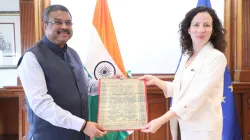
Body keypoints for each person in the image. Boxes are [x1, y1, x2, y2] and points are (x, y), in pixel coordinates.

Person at [17, 5, 107, 140]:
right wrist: (82, 125)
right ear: (45, 25)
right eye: (58, 22)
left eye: (68, 23)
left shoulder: (73, 54)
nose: (64, 26)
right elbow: (42, 105)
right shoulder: (32, 58)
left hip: (80, 135)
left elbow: (86, 86)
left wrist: (109, 84)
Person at [139, 6, 227, 140]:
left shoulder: (217, 58)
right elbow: (179, 89)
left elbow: (195, 96)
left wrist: (160, 120)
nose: (201, 30)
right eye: (196, 25)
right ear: (188, 29)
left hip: (203, 129)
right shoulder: (187, 56)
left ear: (213, 30)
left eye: (207, 25)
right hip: (182, 126)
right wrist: (155, 81)